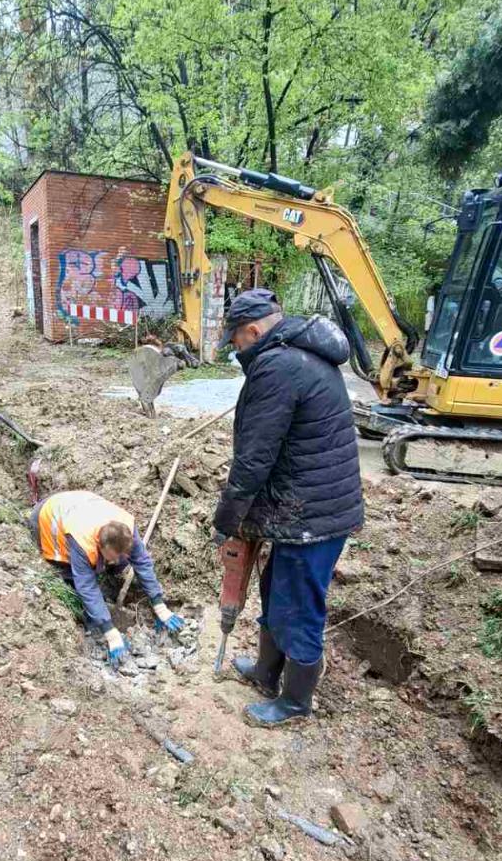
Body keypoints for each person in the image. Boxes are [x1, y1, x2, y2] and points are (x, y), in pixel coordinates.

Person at [214, 288, 364, 727]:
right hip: (301, 505)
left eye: (236, 341)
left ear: (253, 330)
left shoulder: (278, 366)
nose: (236, 350)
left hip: (312, 516)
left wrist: (228, 519)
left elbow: (254, 458)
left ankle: (295, 703)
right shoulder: (296, 354)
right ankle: (265, 672)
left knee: (298, 605)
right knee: (276, 589)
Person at [30, 490, 183, 664]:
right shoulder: (82, 542)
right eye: (110, 556)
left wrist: (159, 604)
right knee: (71, 575)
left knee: (119, 563)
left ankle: (106, 582)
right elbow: (87, 587)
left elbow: (142, 562)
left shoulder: (127, 530)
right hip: (48, 516)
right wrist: (110, 632)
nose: (116, 560)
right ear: (99, 545)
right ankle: (88, 606)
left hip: (79, 503)